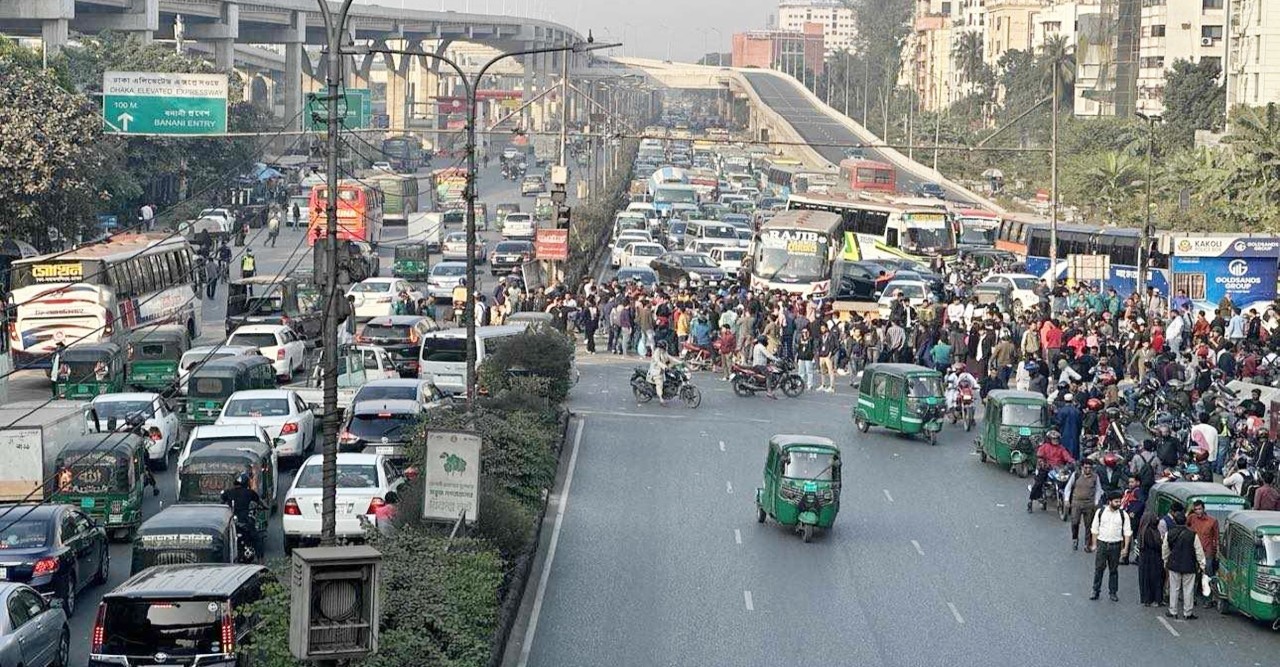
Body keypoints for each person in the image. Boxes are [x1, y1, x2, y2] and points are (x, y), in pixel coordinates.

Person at [1163, 509, 1207, 620]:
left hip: (1174, 565)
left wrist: (1165, 561)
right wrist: (1202, 565)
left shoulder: (1169, 534)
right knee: (1188, 590)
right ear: (1186, 521)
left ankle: (1173, 611)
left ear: (1175, 521)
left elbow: (1165, 549)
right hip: (1189, 565)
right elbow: (1199, 551)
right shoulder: (1193, 535)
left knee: (1174, 588)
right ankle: (1188, 612)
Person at [1089, 491, 1132, 601]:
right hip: (1102, 544)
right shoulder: (1101, 512)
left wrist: (1125, 548)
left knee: (1114, 570)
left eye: (1119, 501)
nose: (1118, 503)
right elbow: (1094, 529)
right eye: (1116, 501)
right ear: (1110, 502)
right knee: (1099, 569)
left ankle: (1113, 592)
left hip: (1116, 545)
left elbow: (1127, 533)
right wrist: (1094, 544)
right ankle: (1095, 590)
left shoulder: (1123, 515)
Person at [221, 472, 267, 557]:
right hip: (245, 520)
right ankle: (261, 560)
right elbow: (260, 502)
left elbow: (221, 503)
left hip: (232, 520)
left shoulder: (228, 492)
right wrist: (264, 507)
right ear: (246, 482)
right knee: (256, 538)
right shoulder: (250, 492)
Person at [1028, 430, 1074, 512]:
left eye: (1057, 439)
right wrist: (1043, 463)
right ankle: (1031, 501)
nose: (1056, 440)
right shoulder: (1044, 447)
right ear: (1049, 439)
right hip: (1046, 468)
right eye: (1053, 439)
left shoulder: (1061, 448)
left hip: (1059, 469)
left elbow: (1067, 456)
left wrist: (1072, 461)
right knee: (1038, 483)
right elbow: (1040, 457)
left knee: (1070, 482)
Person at [1065, 460, 1101, 551]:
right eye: (1086, 468)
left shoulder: (1095, 477)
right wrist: (1066, 500)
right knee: (1075, 522)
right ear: (1082, 467)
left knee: (1089, 524)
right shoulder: (1076, 475)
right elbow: (1068, 488)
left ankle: (1087, 544)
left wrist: (1096, 501)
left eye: (1090, 468)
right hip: (1076, 502)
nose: (1088, 470)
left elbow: (1098, 490)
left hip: (1089, 504)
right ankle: (1075, 539)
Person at [1137, 507, 1165, 606]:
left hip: (1145, 560)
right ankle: (1154, 599)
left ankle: (1147, 599)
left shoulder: (1143, 531)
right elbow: (1156, 545)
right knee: (1155, 579)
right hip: (1153, 559)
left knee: (1146, 580)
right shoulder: (1150, 532)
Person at [1185, 499, 1220, 578]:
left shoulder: (1212, 521)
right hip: (1194, 551)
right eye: (1196, 509)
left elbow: (1217, 537)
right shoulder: (1191, 518)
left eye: (1199, 509)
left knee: (1207, 574)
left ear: (1203, 509)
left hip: (1207, 552)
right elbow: (1185, 527)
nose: (1198, 511)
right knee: (1193, 574)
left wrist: (1217, 552)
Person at [751, 335, 780, 400]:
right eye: (766, 340)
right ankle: (769, 392)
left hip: (758, 364)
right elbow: (768, 355)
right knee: (769, 375)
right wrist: (776, 359)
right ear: (763, 341)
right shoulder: (761, 347)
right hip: (760, 365)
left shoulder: (757, 346)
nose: (767, 342)